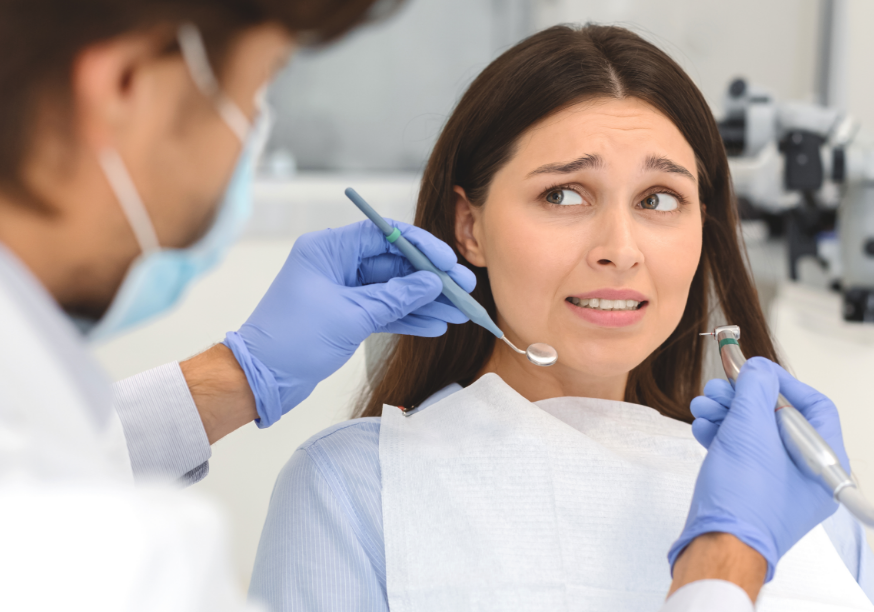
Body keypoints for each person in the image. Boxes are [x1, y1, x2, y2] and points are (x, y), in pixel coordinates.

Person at [249, 25, 874, 611]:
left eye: (659, 199)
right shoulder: (353, 493)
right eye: (564, 195)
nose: (620, 248)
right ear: (470, 227)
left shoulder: (801, 504)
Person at [0, 1, 477, 608]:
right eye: (260, 85)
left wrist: (241, 373)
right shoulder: (115, 559)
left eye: (645, 200)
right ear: (126, 85)